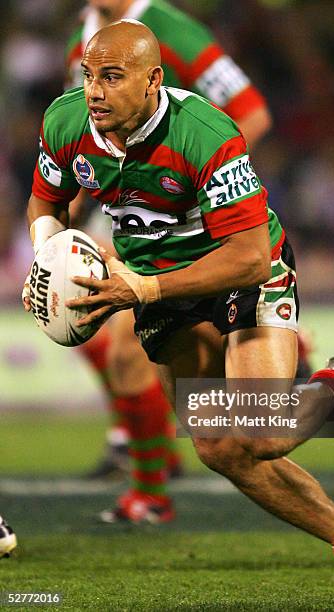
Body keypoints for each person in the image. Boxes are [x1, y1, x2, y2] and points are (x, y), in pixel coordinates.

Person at [23, 21, 334, 599]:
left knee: (257, 431)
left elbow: (252, 257)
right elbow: (46, 200)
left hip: (238, 271)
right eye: (88, 76)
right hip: (157, 282)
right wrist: (47, 258)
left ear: (154, 80)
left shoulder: (204, 134)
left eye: (112, 77)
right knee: (216, 445)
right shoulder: (65, 120)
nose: (96, 92)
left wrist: (144, 291)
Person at [63, 0, 278, 521]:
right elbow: (80, 135)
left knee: (251, 427)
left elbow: (252, 111)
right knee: (98, 331)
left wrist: (197, 186)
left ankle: (149, 482)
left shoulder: (171, 29)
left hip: (190, 215)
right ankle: (148, 477)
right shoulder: (88, 36)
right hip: (126, 208)